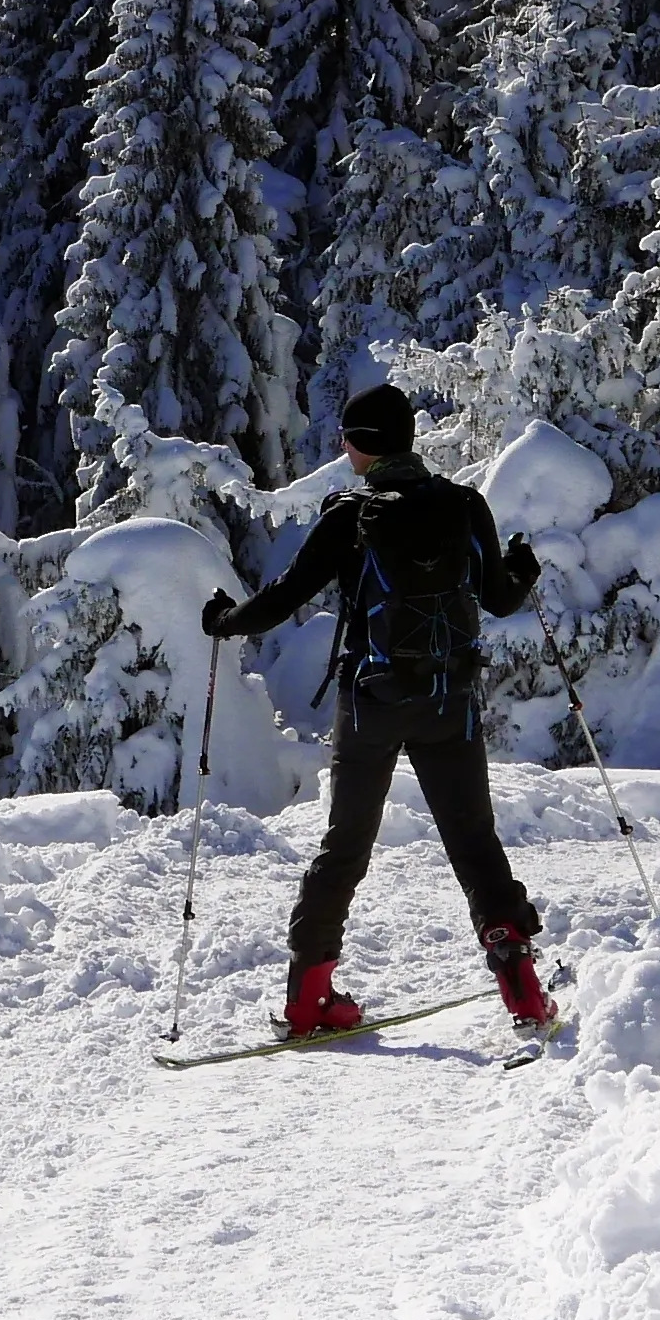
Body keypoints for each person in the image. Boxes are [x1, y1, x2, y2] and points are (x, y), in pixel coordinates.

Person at [201, 382, 553, 1035]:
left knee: (344, 847)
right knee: (474, 843)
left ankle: (309, 1002)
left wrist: (224, 620)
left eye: (348, 437)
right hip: (450, 703)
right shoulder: (463, 505)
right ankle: (525, 994)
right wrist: (523, 568)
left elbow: (282, 599)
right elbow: (500, 600)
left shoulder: (348, 514)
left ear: (360, 446)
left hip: (370, 703)